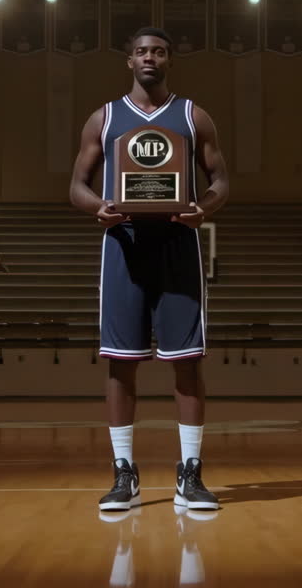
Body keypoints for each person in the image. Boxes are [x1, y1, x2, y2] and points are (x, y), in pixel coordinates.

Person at [70, 26, 230, 512]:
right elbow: (76, 185)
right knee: (121, 362)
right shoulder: (104, 117)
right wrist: (97, 207)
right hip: (123, 245)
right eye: (141, 51)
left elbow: (220, 180)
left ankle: (190, 473)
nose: (149, 58)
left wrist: (204, 209)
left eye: (159, 51)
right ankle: (124, 473)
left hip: (179, 243)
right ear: (128, 60)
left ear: (169, 60)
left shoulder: (192, 115)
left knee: (188, 361)